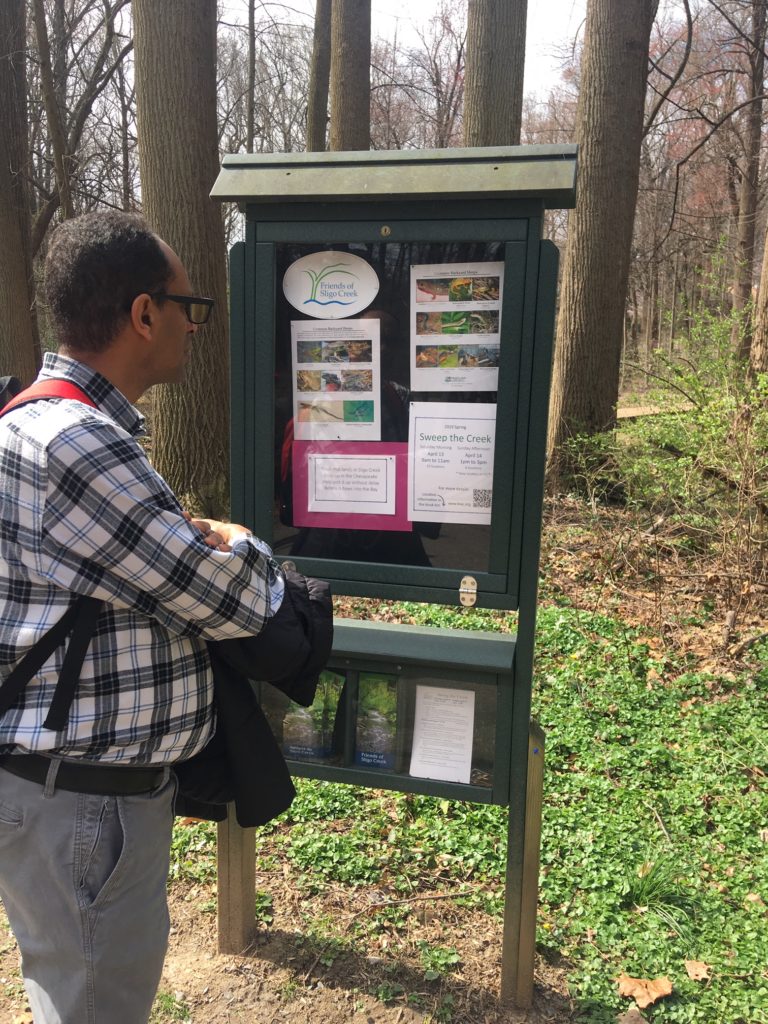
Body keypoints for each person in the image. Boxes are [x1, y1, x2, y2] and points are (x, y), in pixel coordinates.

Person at [0, 211, 287, 1024]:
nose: (195, 325)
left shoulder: (34, 421)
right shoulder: (75, 445)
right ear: (142, 314)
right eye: (187, 305)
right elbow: (229, 600)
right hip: (85, 808)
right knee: (93, 1004)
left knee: (72, 987)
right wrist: (244, 545)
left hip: (65, 798)